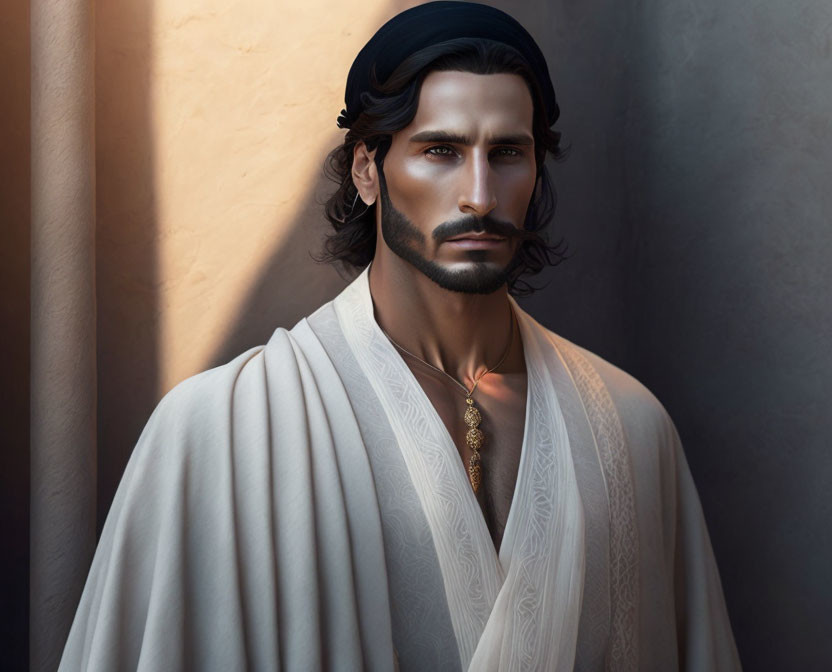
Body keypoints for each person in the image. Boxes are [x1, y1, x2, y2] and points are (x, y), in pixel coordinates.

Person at [58, 2, 742, 670]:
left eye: (507, 153)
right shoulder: (219, 432)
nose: (479, 193)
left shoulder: (632, 430)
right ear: (367, 170)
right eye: (440, 150)